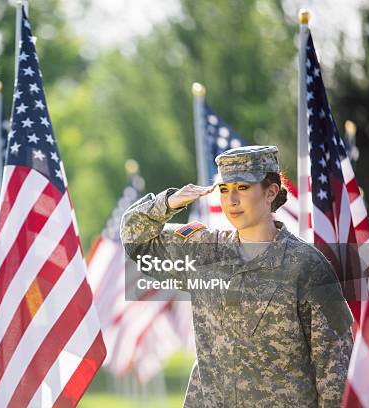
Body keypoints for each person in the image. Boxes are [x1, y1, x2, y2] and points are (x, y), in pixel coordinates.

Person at [120, 145, 353, 407]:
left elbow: (335, 364)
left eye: (242, 188)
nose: (231, 200)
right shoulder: (204, 252)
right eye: (224, 189)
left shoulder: (307, 265)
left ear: (271, 192)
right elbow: (135, 239)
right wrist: (168, 203)